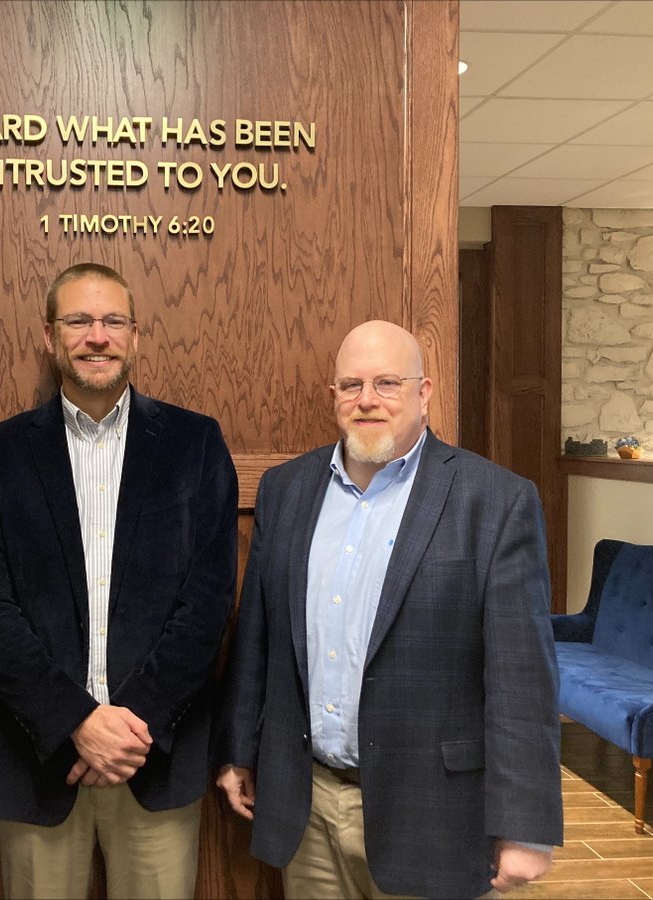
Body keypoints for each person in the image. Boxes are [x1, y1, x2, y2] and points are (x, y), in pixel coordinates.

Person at [215, 320, 562, 899]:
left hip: (432, 812)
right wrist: (238, 751)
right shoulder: (286, 489)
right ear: (333, 398)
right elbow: (258, 637)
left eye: (387, 383)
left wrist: (526, 827)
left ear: (424, 393)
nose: (367, 400)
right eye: (351, 385)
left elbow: (521, 680)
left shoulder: (495, 501)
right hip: (307, 802)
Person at [0, 262, 238, 899]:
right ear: (49, 337)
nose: (97, 336)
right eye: (78, 321)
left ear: (136, 336)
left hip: (154, 756)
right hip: (38, 757)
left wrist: (130, 726)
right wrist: (76, 720)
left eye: (113, 321)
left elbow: (208, 602)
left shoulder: (195, 444)